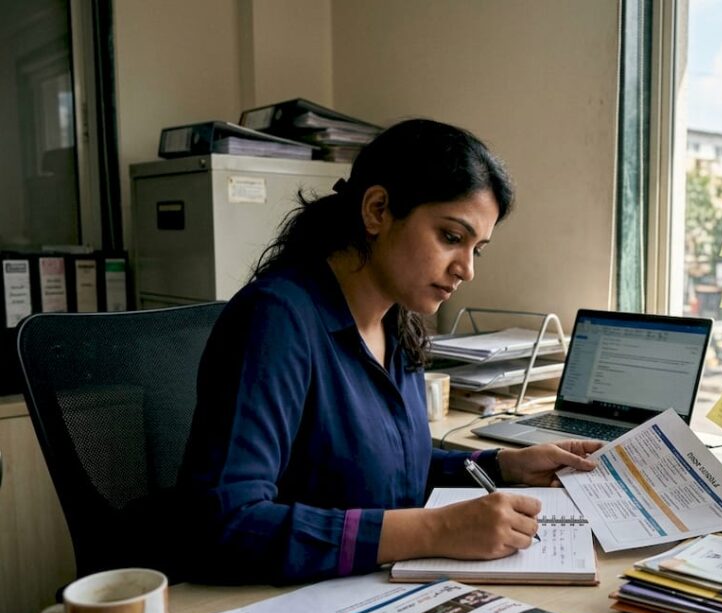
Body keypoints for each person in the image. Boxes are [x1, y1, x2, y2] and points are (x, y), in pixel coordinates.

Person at [178, 119, 601, 584]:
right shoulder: (275, 320)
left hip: (376, 591)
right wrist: (435, 528)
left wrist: (503, 467)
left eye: (478, 249)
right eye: (451, 237)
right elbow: (225, 525)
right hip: (284, 609)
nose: (466, 270)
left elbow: (389, 473)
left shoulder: (395, 323)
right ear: (377, 210)